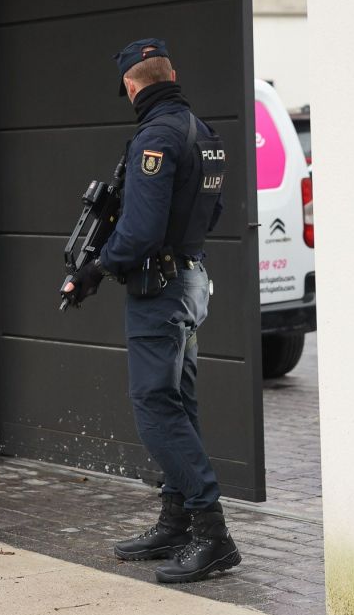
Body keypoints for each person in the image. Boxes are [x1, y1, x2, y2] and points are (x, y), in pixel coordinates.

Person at [63, 38, 239, 583]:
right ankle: (176, 522)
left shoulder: (155, 139)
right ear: (172, 74)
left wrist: (96, 269)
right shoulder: (203, 134)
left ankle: (213, 534)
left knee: (155, 408)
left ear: (131, 86)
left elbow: (139, 232)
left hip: (160, 292)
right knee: (177, 406)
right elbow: (211, 213)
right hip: (190, 280)